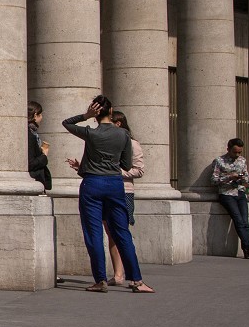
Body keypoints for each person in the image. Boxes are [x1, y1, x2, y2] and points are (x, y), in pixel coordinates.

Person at [62, 95, 155, 293]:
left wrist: (85, 115)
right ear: (111, 112)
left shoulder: (90, 133)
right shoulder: (123, 135)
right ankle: (137, 281)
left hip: (92, 183)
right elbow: (127, 165)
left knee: (94, 232)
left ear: (95, 113)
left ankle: (100, 280)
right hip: (114, 183)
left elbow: (66, 123)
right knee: (122, 232)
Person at [103, 110, 143, 284]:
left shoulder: (132, 144)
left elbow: (139, 170)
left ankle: (133, 276)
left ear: (118, 124)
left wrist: (117, 172)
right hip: (106, 190)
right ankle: (118, 274)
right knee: (110, 233)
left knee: (121, 233)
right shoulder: (106, 143)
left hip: (124, 191)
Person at [212, 138, 249, 259]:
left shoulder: (242, 161)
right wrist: (229, 177)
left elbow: (247, 178)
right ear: (228, 149)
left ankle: (248, 250)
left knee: (245, 222)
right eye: (235, 152)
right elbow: (214, 180)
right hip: (227, 194)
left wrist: (243, 179)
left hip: (240, 193)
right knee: (238, 220)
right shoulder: (219, 161)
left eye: (239, 152)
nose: (237, 155)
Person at [27, 101, 52, 190]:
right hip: (33, 180)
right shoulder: (29, 135)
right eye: (40, 114)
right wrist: (44, 155)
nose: (42, 117)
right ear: (35, 116)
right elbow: (30, 163)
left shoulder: (32, 132)